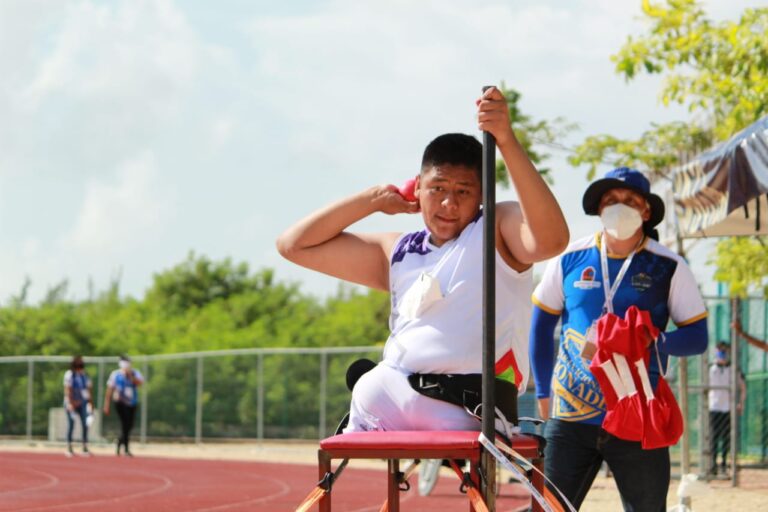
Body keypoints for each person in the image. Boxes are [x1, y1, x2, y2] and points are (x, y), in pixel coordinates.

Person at [277, 86, 568, 433]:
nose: (449, 204)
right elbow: (293, 245)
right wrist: (373, 199)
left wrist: (505, 140)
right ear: (417, 188)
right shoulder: (397, 250)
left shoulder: (496, 229)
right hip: (388, 396)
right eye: (438, 189)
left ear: (482, 195)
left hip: (468, 404)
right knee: (369, 387)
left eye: (463, 192)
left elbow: (552, 241)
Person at [530, 167, 709, 511]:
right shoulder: (569, 259)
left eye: (629, 200)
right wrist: (542, 392)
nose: (619, 207)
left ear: (646, 210)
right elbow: (540, 327)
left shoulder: (668, 266)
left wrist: (654, 341)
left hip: (639, 415)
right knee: (548, 508)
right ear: (598, 209)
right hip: (571, 415)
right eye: (610, 200)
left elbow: (697, 337)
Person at [707, 341, 746, 477]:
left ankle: (724, 465)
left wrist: (741, 403)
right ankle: (712, 466)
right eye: (720, 350)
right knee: (713, 438)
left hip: (728, 408)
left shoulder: (733, 369)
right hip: (714, 407)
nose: (723, 353)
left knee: (726, 438)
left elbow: (742, 386)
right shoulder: (710, 369)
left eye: (725, 350)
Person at [104, 355, 144, 456]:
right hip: (120, 402)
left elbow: (140, 382)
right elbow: (110, 389)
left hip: (132, 402)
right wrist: (107, 404)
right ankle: (126, 448)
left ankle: (119, 441)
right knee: (124, 423)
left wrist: (130, 376)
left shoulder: (135, 372)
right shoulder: (115, 374)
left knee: (129, 425)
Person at [63, 355, 93, 457]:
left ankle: (84, 446)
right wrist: (71, 403)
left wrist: (90, 403)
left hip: (82, 403)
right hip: (71, 403)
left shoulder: (85, 375)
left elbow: (88, 390)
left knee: (85, 424)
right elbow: (68, 390)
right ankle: (69, 447)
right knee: (71, 424)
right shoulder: (69, 375)